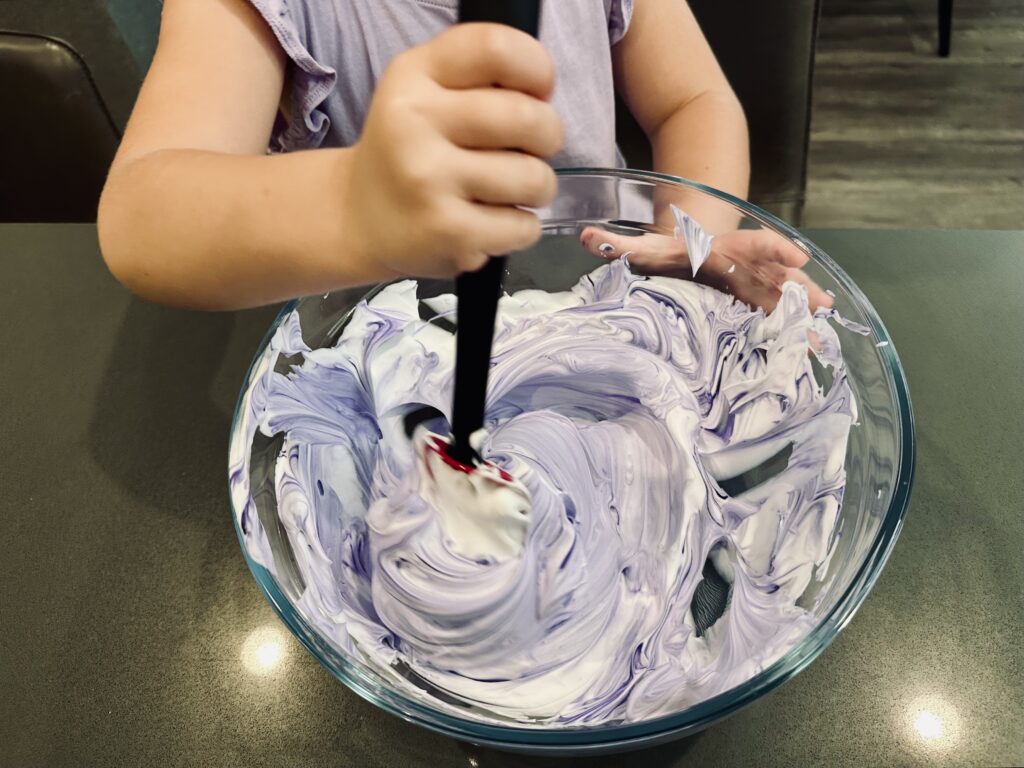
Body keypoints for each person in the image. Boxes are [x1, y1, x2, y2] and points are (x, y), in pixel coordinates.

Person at [98, 0, 829, 311]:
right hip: (402, 343)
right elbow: (142, 215)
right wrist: (353, 207)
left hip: (612, 289)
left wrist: (688, 247)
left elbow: (693, 102)